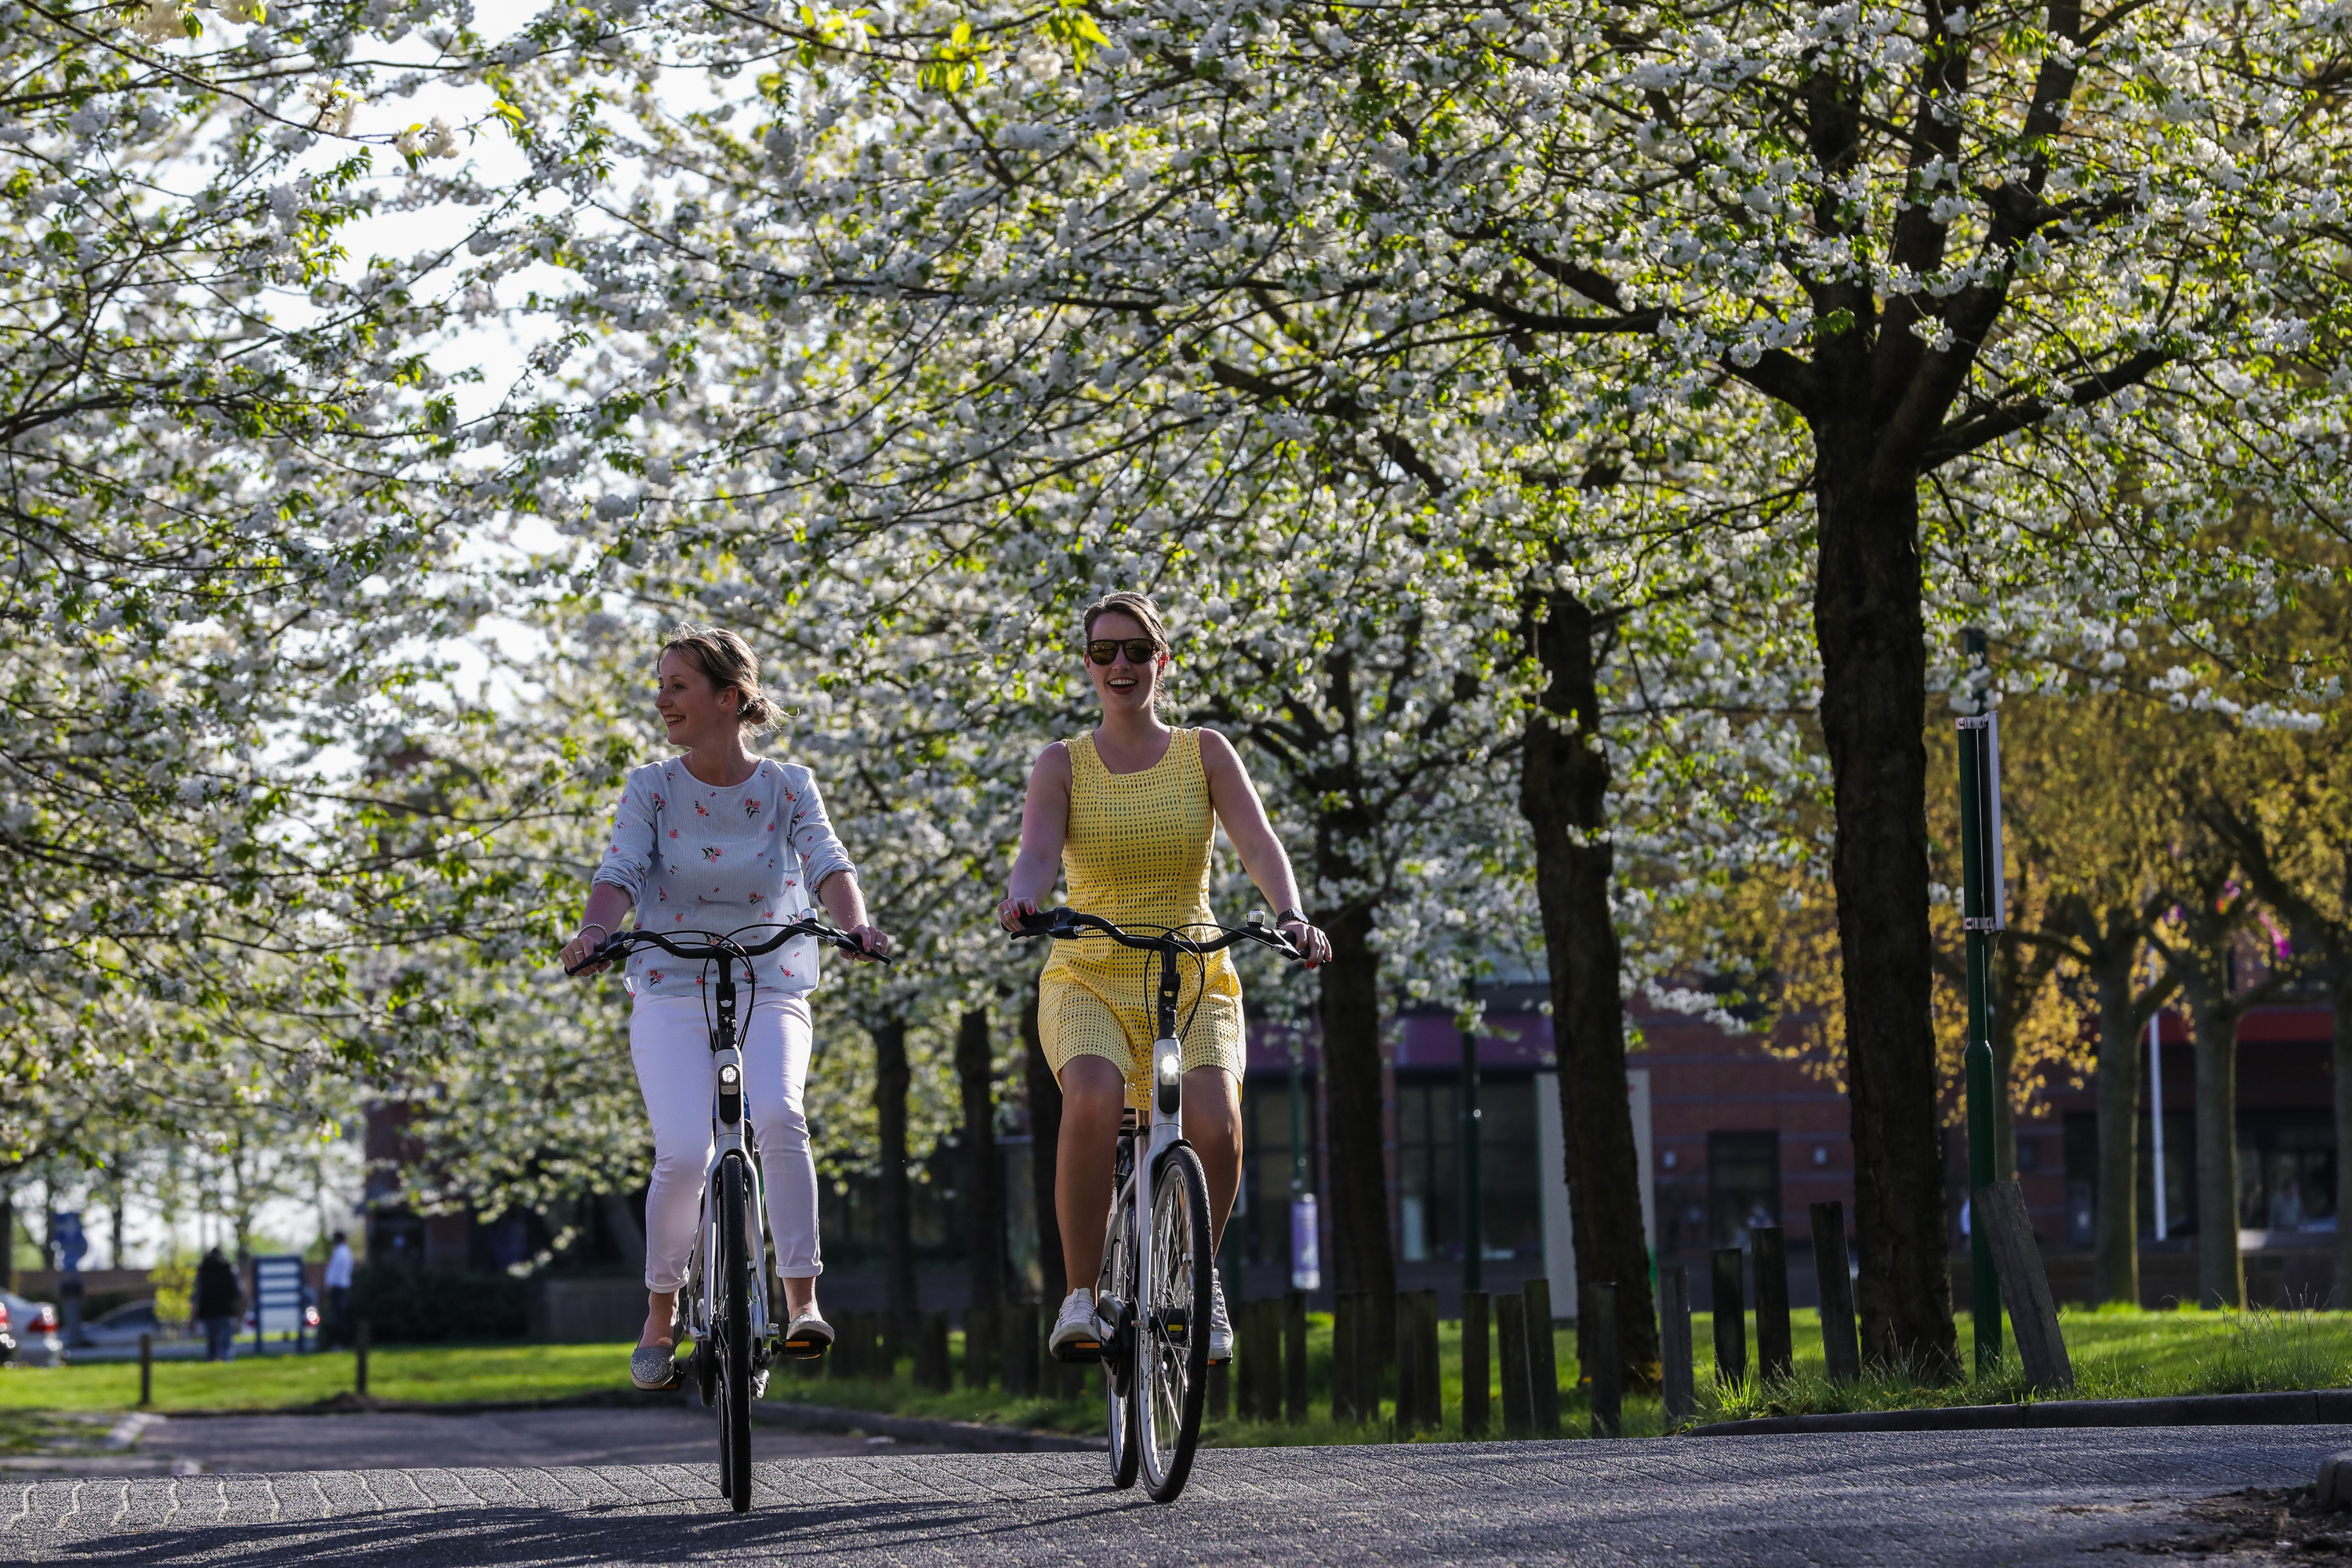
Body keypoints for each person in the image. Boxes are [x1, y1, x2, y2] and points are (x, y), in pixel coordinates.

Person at [997, 590, 1331, 1364]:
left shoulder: (1204, 752)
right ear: (1086, 664)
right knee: (1092, 1094)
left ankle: (1199, 1278)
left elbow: (1257, 839)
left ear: (1162, 659)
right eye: (1104, 651)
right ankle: (1081, 1294)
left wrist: (1290, 912)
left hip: (1193, 969)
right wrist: (1025, 897)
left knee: (1216, 1121)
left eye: (1136, 650)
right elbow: (1038, 850)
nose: (1121, 665)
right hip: (1090, 971)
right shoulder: (1062, 763)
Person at [563, 625, 892, 1392]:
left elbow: (826, 858)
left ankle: (801, 1299)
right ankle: (661, 1313)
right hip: (670, 984)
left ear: (729, 697)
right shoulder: (651, 787)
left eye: (678, 684)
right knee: (684, 1149)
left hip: (770, 979)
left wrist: (854, 925)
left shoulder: (787, 784)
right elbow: (621, 868)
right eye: (660, 683)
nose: (662, 698)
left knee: (778, 1114)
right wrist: (593, 930)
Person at [194, 1247, 241, 1363]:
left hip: (208, 1310)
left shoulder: (203, 1270)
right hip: (226, 1310)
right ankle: (226, 1358)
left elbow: (197, 1293)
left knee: (211, 1340)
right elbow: (237, 1291)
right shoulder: (229, 1269)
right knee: (226, 1340)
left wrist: (195, 1312)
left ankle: (211, 1358)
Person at [322, 1230, 354, 1349]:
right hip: (341, 1287)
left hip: (338, 1287)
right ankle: (343, 1341)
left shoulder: (341, 1253)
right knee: (340, 1316)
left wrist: (330, 1285)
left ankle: (342, 1342)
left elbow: (336, 1272)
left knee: (339, 1316)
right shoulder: (344, 1252)